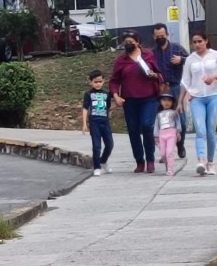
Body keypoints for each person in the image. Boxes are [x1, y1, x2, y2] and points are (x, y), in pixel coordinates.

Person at [109, 30, 162, 173]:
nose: (128, 45)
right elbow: (114, 81)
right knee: (133, 130)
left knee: (146, 126)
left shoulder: (148, 55)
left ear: (137, 42)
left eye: (131, 42)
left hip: (149, 98)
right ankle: (139, 161)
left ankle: (150, 159)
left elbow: (159, 74)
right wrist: (116, 96)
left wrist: (154, 75)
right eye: (125, 43)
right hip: (130, 99)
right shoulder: (121, 60)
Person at [179, 31, 217, 176]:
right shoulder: (190, 59)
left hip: (214, 96)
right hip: (197, 98)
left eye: (200, 41)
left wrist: (214, 76)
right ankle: (201, 160)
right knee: (200, 130)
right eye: (194, 42)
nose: (197, 45)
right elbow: (185, 82)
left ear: (206, 41)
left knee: (210, 131)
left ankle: (211, 162)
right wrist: (180, 102)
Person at [152, 23, 190, 158]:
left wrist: (182, 59)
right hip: (160, 89)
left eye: (162, 35)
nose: (160, 38)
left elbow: (192, 60)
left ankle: (180, 145)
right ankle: (165, 150)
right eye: (157, 36)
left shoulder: (177, 48)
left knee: (182, 121)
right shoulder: (152, 53)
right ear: (154, 37)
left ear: (167, 34)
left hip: (175, 87)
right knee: (160, 121)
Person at [81, 69, 113, 176]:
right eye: (95, 82)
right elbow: (85, 108)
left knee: (110, 144)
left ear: (103, 81)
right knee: (96, 146)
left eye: (100, 81)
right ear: (90, 82)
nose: (98, 84)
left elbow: (108, 107)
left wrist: (109, 116)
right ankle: (97, 166)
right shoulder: (88, 94)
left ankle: (103, 161)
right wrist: (84, 124)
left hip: (105, 122)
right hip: (94, 122)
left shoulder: (107, 94)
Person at [154, 92, 183, 177]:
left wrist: (178, 132)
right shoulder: (158, 115)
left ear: (172, 102)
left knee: (169, 152)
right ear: (160, 102)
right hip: (162, 134)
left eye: (169, 100)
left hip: (171, 134)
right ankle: (167, 167)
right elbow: (156, 126)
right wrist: (156, 136)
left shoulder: (174, 113)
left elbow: (178, 123)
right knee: (163, 154)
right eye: (164, 100)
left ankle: (170, 169)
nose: (167, 102)